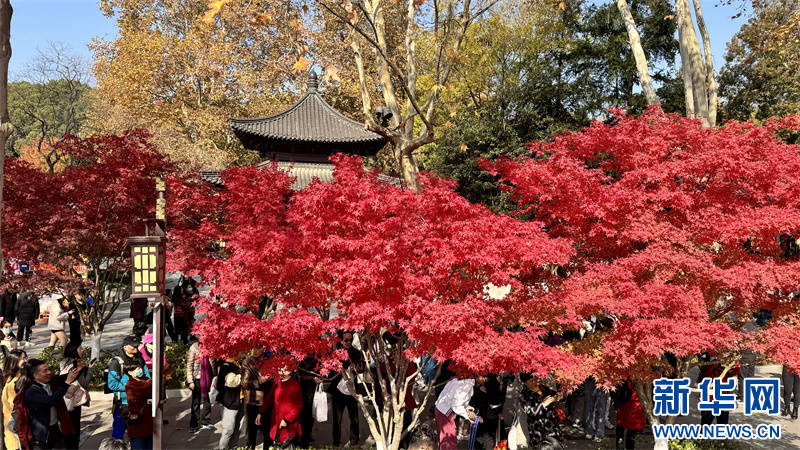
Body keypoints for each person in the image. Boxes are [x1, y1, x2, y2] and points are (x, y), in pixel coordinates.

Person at [23, 358, 81, 448]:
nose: (49, 372)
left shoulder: (50, 381)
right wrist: (67, 383)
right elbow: (51, 400)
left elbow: (68, 376)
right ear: (35, 375)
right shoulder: (31, 391)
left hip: (55, 429)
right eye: (45, 371)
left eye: (49, 369)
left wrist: (78, 369)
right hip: (41, 435)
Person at [108, 335, 150, 440]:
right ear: (125, 347)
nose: (136, 349)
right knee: (119, 431)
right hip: (123, 403)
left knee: (139, 431)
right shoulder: (116, 362)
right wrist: (130, 387)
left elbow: (147, 377)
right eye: (133, 347)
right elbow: (112, 384)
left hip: (139, 401)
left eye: (137, 346)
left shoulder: (139, 357)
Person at [256, 367, 303, 449]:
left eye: (283, 369)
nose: (280, 372)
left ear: (289, 371)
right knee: (276, 443)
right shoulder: (277, 382)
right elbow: (269, 398)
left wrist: (286, 420)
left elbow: (298, 405)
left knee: (286, 444)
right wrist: (260, 413)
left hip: (288, 424)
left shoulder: (295, 385)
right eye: (279, 369)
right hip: (276, 421)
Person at [435, 375, 484, 450]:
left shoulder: (462, 379)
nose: (484, 379)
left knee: (445, 438)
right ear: (477, 375)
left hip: (442, 409)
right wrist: (468, 417)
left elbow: (457, 400)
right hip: (444, 412)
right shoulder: (466, 384)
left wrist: (466, 407)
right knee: (449, 440)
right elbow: (456, 406)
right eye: (483, 376)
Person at [330, 332, 360, 447]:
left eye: (350, 340)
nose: (348, 342)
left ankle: (354, 442)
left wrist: (356, 368)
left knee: (354, 418)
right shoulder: (335, 352)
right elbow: (331, 371)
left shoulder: (356, 352)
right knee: (337, 419)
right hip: (338, 390)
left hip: (351, 389)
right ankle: (336, 443)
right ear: (341, 341)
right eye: (346, 340)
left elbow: (361, 368)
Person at [60, 342, 92, 450]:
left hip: (68, 400)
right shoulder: (74, 365)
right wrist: (89, 370)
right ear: (74, 350)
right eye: (80, 348)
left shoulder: (65, 362)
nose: (82, 350)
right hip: (73, 401)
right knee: (73, 429)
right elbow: (83, 382)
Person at [518, 374, 561, 450]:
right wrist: (543, 404)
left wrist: (556, 397)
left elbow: (555, 394)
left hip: (551, 424)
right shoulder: (523, 395)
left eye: (535, 378)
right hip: (538, 429)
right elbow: (529, 411)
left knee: (556, 445)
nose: (534, 381)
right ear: (525, 382)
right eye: (531, 380)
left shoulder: (542, 387)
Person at [185, 336, 216, 432]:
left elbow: (214, 364)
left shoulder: (211, 347)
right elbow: (189, 365)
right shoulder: (194, 348)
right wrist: (190, 381)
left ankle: (205, 421)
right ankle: (194, 424)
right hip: (197, 379)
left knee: (207, 400)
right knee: (195, 402)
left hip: (208, 378)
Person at [242, 353, 271, 448]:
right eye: (254, 346)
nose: (255, 349)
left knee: (267, 430)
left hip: (268, 399)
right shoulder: (247, 362)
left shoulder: (271, 360)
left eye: (259, 346)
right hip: (253, 400)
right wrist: (260, 380)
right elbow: (244, 383)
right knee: (251, 430)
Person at [123, 360, 154, 450]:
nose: (140, 370)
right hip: (137, 422)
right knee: (138, 445)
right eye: (138, 369)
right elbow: (143, 391)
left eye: (140, 368)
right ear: (130, 372)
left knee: (149, 445)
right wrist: (152, 382)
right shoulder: (130, 385)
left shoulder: (145, 380)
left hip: (147, 421)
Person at [2, 349, 27, 450]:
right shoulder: (15, 383)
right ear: (14, 362)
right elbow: (16, 406)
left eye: (26, 357)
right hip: (16, 432)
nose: (26, 360)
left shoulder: (12, 378)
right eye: (23, 358)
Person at [217, 356, 244, 449]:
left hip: (241, 399)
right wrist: (243, 375)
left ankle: (233, 447)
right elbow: (231, 381)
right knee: (228, 429)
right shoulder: (226, 365)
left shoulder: (238, 363)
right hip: (230, 402)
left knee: (238, 427)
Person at [296, 355, 321, 447]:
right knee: (303, 417)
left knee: (310, 418)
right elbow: (298, 375)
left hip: (313, 392)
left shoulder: (317, 356)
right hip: (302, 392)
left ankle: (306, 438)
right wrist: (312, 378)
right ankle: (302, 441)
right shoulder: (300, 357)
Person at [614, 379, 645, 450]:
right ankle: (625, 447)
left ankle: (620, 447)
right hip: (632, 402)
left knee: (623, 428)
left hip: (630, 402)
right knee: (630, 431)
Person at [583, 376, 609, 442]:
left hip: (603, 380)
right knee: (588, 407)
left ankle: (599, 433)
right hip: (589, 378)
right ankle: (589, 430)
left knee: (601, 408)